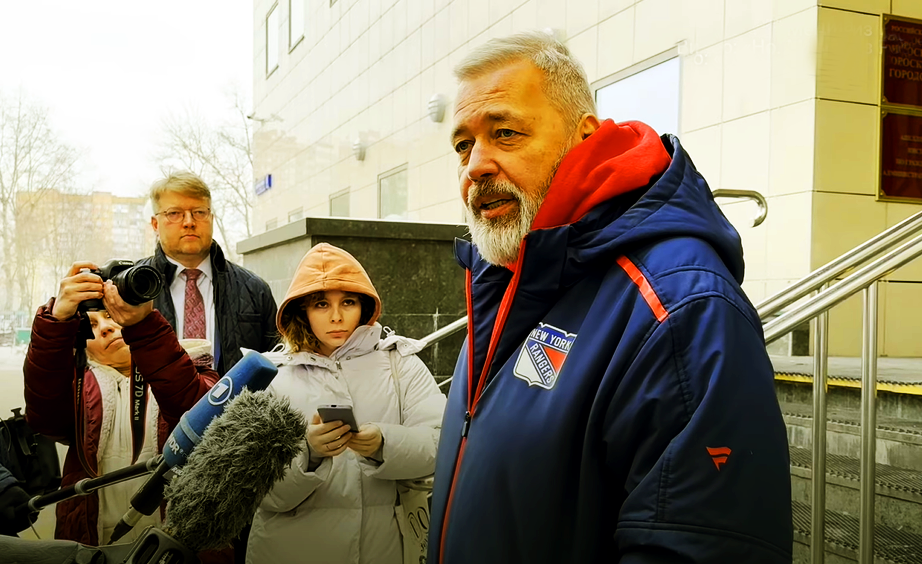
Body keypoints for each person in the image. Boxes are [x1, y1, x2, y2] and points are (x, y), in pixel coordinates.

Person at [428, 31, 793, 563]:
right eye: (463, 145)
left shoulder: (679, 307)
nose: (475, 166)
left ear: (584, 137)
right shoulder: (504, 280)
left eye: (505, 133)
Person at [246, 243, 446, 564]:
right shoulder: (271, 376)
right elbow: (256, 490)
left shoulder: (400, 364)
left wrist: (384, 445)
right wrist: (309, 454)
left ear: (364, 306)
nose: (337, 316)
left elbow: (441, 445)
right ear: (302, 310)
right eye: (321, 304)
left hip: (382, 551)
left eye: (348, 302)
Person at [22, 262, 221, 548]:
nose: (105, 328)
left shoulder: (192, 366)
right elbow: (45, 418)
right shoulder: (78, 386)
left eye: (109, 315)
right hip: (95, 541)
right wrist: (56, 321)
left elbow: (201, 422)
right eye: (91, 325)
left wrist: (145, 328)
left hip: (176, 544)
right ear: (81, 342)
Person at [139, 171, 278, 376]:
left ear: (211, 218)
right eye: (174, 213)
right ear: (155, 224)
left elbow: (277, 367)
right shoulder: (133, 287)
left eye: (199, 212)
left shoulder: (254, 290)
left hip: (237, 397)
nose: (189, 222)